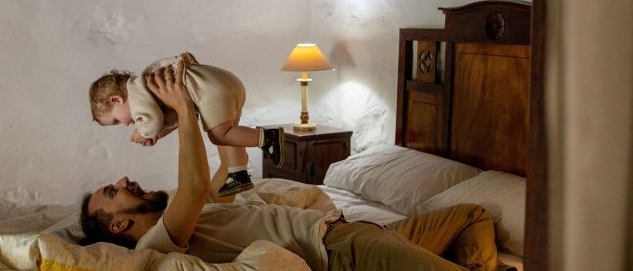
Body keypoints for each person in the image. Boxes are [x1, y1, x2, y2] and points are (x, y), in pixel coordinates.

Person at [80, 64, 512, 271]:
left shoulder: (194, 211)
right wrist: (183, 113)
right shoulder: (157, 241)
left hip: (354, 227)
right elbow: (192, 188)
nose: (122, 180)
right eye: (113, 192)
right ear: (118, 226)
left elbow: (235, 173)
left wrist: (211, 119)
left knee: (473, 213)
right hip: (342, 252)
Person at [89, 52, 284, 197]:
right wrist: (157, 134)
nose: (123, 125)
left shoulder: (136, 94)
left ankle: (268, 138)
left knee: (219, 135)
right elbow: (176, 118)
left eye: (116, 121)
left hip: (212, 90)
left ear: (116, 99)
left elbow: (153, 121)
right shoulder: (148, 91)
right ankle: (238, 173)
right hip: (224, 84)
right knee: (230, 134)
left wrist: (144, 133)